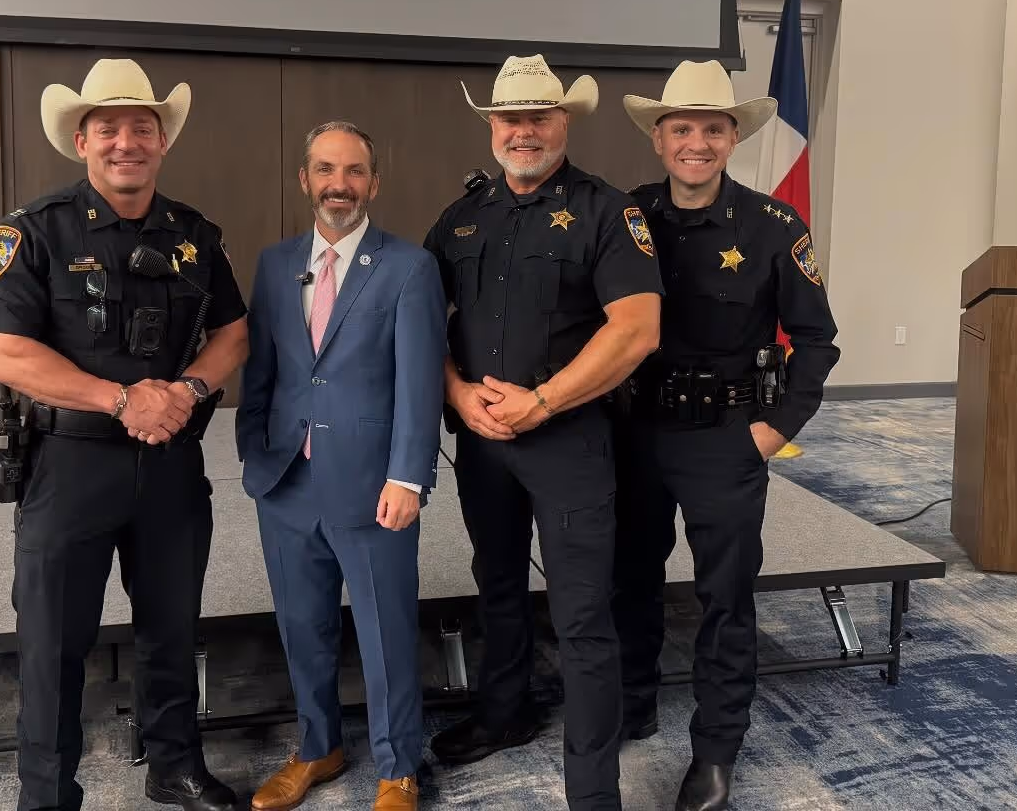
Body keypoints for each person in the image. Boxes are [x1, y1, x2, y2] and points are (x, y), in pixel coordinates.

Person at [0, 58, 250, 811]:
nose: (127, 142)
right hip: (70, 465)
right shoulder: (31, 232)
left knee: (171, 625)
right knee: (55, 643)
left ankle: (175, 766)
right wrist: (120, 397)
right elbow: (4, 353)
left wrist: (188, 389)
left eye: (142, 128)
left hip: (169, 464)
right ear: (82, 141)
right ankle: (48, 792)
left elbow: (232, 335)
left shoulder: (195, 236)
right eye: (109, 129)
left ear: (162, 142)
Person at [422, 55, 663, 811]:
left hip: (568, 438)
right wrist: (457, 394)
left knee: (582, 610)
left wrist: (545, 402)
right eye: (509, 118)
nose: (523, 131)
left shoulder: (608, 211)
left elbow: (638, 331)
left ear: (565, 123)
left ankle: (593, 790)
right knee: (497, 584)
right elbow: (419, 326)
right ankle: (505, 712)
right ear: (491, 126)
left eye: (539, 117)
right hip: (483, 440)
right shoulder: (460, 218)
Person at [610, 60, 841, 811]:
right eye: (682, 128)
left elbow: (817, 340)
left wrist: (773, 431)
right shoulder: (628, 216)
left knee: (724, 598)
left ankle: (715, 751)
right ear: (658, 137)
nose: (697, 142)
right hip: (635, 432)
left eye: (713, 128)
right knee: (631, 581)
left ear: (734, 136)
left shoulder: (775, 228)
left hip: (727, 437)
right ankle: (635, 699)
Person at [236, 121, 447, 811]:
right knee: (303, 626)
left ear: (373, 183)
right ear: (305, 180)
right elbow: (261, 372)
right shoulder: (273, 264)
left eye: (354, 171)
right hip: (287, 482)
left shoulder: (408, 267)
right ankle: (318, 746)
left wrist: (408, 476)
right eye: (326, 170)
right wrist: (253, 457)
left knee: (385, 630)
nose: (339, 185)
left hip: (373, 486)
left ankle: (397, 767)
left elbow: (419, 382)